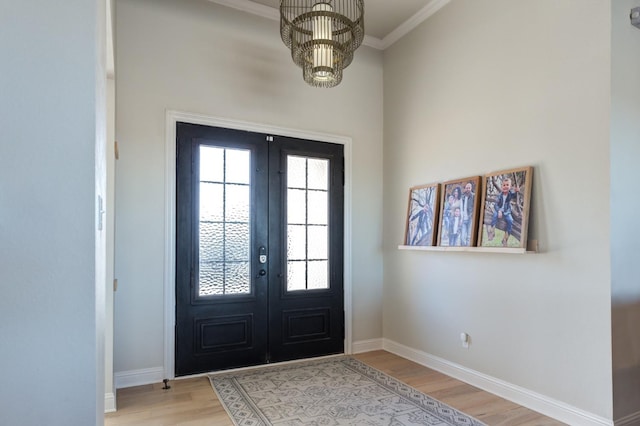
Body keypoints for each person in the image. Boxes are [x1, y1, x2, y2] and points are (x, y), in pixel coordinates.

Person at [487, 177, 519, 246]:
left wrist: (516, 191)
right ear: (502, 186)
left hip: (506, 211)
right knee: (494, 216)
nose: (505, 187)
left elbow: (514, 195)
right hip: (498, 210)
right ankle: (492, 232)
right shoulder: (499, 195)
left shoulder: (510, 194)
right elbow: (496, 205)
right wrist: (498, 211)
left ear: (510, 187)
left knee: (510, 220)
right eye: (504, 185)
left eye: (507, 185)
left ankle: (505, 239)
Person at [460, 182, 475, 246]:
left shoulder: (474, 196)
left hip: (470, 218)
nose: (468, 189)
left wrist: (472, 216)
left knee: (468, 237)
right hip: (464, 219)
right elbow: (461, 208)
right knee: (462, 238)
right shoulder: (462, 197)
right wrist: (461, 218)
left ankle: (468, 250)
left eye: (469, 188)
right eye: (466, 188)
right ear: (465, 189)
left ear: (471, 188)